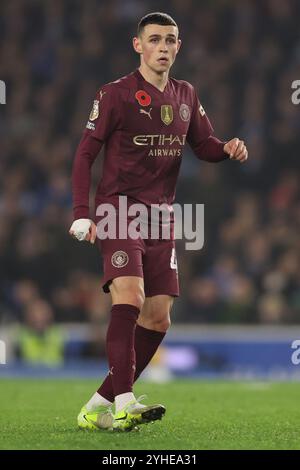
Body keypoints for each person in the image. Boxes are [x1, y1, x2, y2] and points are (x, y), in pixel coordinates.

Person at [70, 12, 248, 432]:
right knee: (128, 297)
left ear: (179, 47)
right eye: (154, 40)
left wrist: (229, 148)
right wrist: (81, 213)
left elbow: (204, 145)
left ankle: (96, 405)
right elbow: (83, 155)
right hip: (118, 209)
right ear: (138, 46)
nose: (163, 47)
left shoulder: (186, 94)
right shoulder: (115, 94)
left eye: (170, 40)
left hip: (162, 216)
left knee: (157, 318)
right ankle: (126, 402)